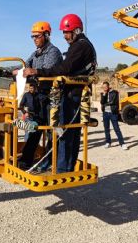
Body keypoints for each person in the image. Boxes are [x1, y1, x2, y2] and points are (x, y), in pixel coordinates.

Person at [23, 14, 96, 173]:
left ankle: (62, 168)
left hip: (72, 95)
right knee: (68, 132)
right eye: (63, 32)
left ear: (76, 30)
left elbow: (63, 69)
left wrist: (37, 71)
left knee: (63, 133)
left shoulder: (80, 46)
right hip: (72, 94)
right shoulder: (79, 45)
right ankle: (60, 164)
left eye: (67, 32)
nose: (64, 36)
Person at [13, 21, 63, 169]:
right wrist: (14, 71)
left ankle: (49, 162)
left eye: (37, 36)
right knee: (34, 130)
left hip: (52, 98)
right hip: (39, 98)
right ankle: (26, 161)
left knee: (53, 132)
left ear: (46, 35)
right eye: (32, 37)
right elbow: (25, 66)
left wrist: (32, 71)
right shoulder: (35, 53)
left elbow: (46, 70)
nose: (35, 39)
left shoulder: (53, 52)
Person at [18, 81, 42, 169]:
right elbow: (21, 106)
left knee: (33, 137)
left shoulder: (38, 95)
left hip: (37, 118)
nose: (31, 90)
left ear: (35, 88)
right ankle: (25, 157)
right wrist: (25, 113)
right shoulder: (26, 95)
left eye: (32, 88)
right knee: (28, 135)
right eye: (29, 88)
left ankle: (30, 156)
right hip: (29, 117)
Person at [101, 81, 127, 150]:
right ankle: (108, 142)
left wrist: (105, 103)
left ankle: (122, 143)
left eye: (105, 87)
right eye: (103, 87)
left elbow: (113, 102)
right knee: (106, 129)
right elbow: (101, 102)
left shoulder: (115, 92)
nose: (104, 88)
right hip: (105, 113)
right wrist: (104, 95)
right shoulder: (103, 93)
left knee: (116, 129)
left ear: (108, 86)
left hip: (113, 113)